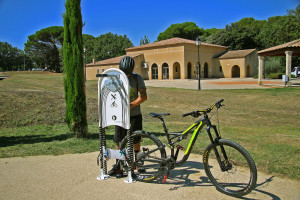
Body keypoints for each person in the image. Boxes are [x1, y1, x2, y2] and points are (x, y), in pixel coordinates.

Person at [108, 56, 147, 177]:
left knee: (135, 139)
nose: (126, 75)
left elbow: (144, 96)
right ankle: (119, 165)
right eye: (124, 73)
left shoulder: (137, 78)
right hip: (120, 116)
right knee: (119, 140)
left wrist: (132, 104)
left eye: (128, 73)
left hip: (134, 115)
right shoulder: (116, 78)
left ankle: (138, 161)